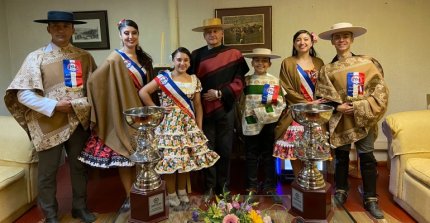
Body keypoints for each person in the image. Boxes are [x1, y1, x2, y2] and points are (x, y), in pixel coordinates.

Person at [3, 11, 97, 223]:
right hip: (48, 123)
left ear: (73, 29)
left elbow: (94, 90)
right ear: (48, 29)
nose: (60, 30)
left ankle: (80, 207)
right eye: (55, 26)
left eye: (65, 26)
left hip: (77, 122)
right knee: (47, 173)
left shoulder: (84, 57)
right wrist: (54, 105)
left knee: (79, 167)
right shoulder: (36, 58)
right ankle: (50, 214)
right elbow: (23, 93)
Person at [78, 19, 154, 213]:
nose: (130, 37)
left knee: (143, 157)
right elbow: (94, 81)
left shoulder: (144, 59)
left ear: (138, 35)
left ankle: (144, 192)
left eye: (134, 33)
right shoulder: (114, 58)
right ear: (120, 35)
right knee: (125, 155)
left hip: (142, 115)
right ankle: (130, 196)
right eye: (126, 33)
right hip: (122, 113)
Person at [316, 22, 389, 219]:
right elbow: (322, 96)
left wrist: (359, 107)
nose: (341, 40)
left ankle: (371, 198)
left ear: (352, 39)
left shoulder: (367, 63)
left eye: (345, 36)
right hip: (341, 120)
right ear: (332, 41)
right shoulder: (327, 70)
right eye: (337, 37)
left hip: (364, 119)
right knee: (341, 158)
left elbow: (379, 90)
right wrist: (336, 107)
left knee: (367, 158)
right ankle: (341, 190)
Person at [139, 47, 220, 207]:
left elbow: (198, 105)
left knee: (185, 160)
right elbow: (143, 92)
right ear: (173, 60)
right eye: (179, 59)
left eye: (186, 60)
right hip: (169, 127)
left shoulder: (194, 80)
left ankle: (182, 191)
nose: (182, 63)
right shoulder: (163, 78)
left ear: (189, 62)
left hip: (187, 126)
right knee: (171, 161)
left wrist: (199, 127)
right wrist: (158, 108)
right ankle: (171, 193)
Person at [189, 18, 250, 198]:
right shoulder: (196, 55)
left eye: (216, 31)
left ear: (222, 33)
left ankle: (223, 186)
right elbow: (189, 81)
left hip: (226, 107)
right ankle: (209, 186)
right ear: (204, 35)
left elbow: (241, 81)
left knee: (225, 149)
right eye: (208, 32)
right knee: (207, 148)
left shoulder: (234, 54)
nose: (212, 35)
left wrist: (221, 93)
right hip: (203, 110)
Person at [273, 30, 325, 178]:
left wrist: (316, 103)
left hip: (315, 112)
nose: (302, 42)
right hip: (296, 112)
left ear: (312, 42)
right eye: (298, 40)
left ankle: (311, 179)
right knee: (295, 149)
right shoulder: (288, 62)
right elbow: (285, 88)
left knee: (312, 148)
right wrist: (306, 103)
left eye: (306, 39)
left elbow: (324, 85)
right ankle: (298, 179)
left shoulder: (319, 62)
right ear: (294, 43)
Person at [241, 48, 285, 203]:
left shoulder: (274, 81)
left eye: (264, 60)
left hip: (268, 122)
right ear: (252, 62)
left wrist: (263, 114)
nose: (260, 63)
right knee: (251, 155)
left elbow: (280, 104)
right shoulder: (245, 81)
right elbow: (240, 103)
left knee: (268, 155)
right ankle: (251, 187)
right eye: (257, 60)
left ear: (269, 63)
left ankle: (270, 187)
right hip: (249, 122)